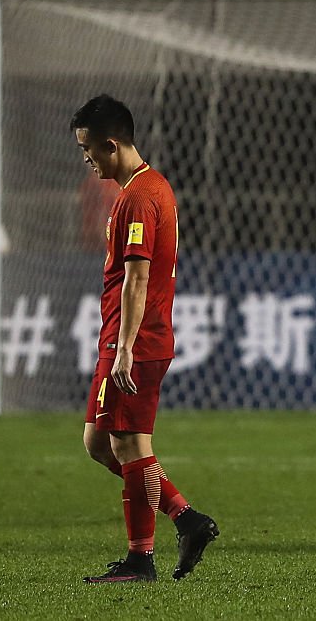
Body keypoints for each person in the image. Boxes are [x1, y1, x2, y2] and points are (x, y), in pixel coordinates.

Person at [73, 95, 218, 583]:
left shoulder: (139, 195)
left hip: (134, 339)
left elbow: (138, 278)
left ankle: (140, 560)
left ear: (111, 145)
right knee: (98, 442)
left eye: (89, 149)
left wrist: (126, 347)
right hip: (123, 336)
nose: (87, 159)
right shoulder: (148, 188)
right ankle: (187, 519)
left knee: (130, 446)